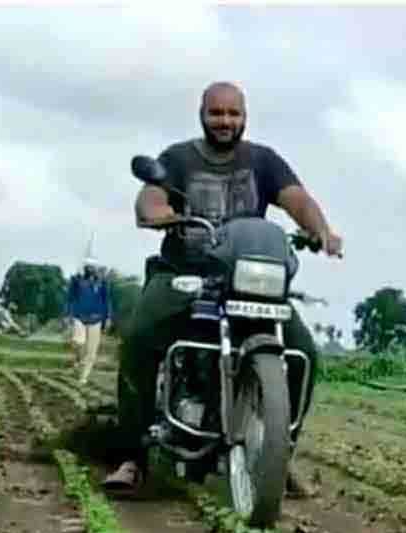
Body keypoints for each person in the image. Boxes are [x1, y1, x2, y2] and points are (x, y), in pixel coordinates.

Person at [103, 81, 343, 496]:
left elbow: (297, 199)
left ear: (244, 117)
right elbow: (151, 198)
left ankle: (275, 455)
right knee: (140, 338)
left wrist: (320, 229)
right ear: (202, 114)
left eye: (233, 114)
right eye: (217, 113)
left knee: (304, 352)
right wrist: (159, 213)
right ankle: (132, 457)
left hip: (246, 277)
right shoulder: (178, 158)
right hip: (184, 271)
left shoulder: (263, 161)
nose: (225, 121)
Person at [67, 258, 110, 386]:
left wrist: (108, 317)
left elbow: (107, 301)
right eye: (88, 267)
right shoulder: (77, 280)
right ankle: (78, 359)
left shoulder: (102, 283)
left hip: (96, 318)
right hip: (79, 316)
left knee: (92, 351)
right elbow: (70, 297)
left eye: (93, 267)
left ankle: (83, 377)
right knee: (78, 341)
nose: (90, 269)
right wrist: (67, 314)